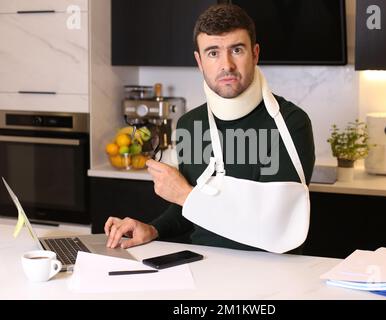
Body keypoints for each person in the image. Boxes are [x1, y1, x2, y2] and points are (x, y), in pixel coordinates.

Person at [104, 4, 315, 252]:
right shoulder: (190, 125)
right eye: (213, 53)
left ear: (255, 54)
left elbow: (275, 226)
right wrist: (154, 228)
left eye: (236, 50)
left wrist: (183, 194)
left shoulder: (291, 123)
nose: (226, 65)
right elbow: (192, 209)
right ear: (200, 61)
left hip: (271, 275)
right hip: (204, 269)